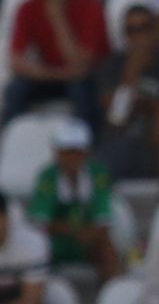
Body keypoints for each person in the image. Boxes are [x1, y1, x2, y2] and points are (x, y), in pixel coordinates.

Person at [4, 0, 107, 131]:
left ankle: (88, 147)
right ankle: (7, 143)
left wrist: (58, 19)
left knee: (82, 90)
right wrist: (53, 74)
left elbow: (81, 64)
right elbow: (16, 61)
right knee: (15, 90)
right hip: (53, 74)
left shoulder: (90, 5)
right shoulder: (28, 7)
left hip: (89, 76)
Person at [27, 118, 117, 284]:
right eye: (66, 152)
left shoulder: (98, 175)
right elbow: (40, 224)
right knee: (38, 249)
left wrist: (88, 234)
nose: (71, 158)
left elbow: (103, 219)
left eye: (76, 152)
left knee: (107, 250)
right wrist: (74, 231)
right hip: (57, 242)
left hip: (87, 240)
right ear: (57, 152)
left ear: (86, 153)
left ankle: (111, 294)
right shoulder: (47, 178)